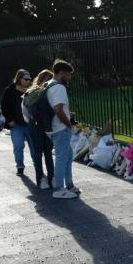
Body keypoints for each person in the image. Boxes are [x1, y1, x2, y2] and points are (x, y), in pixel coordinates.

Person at [47, 59, 80, 199]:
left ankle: (69, 184)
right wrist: (68, 123)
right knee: (62, 158)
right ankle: (59, 188)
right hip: (61, 128)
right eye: (67, 74)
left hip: (54, 127)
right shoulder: (59, 87)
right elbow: (58, 109)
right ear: (60, 73)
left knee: (68, 155)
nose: (69, 78)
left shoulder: (48, 84)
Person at [22, 69, 54, 189]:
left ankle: (41, 180)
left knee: (37, 154)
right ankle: (52, 178)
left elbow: (24, 112)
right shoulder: (49, 92)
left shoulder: (29, 92)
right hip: (47, 126)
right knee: (48, 154)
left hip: (33, 126)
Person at [1, 69, 34, 175]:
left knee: (34, 146)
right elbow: (4, 106)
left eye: (30, 79)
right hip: (16, 124)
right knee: (18, 146)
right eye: (26, 79)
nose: (28, 81)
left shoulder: (32, 90)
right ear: (19, 78)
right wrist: (9, 120)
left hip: (30, 124)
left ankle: (37, 165)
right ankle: (20, 166)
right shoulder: (10, 90)